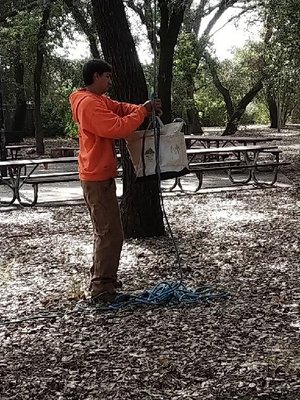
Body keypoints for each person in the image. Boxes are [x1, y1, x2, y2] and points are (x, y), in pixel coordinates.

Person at [69, 59, 162, 304]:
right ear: (96, 76)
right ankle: (102, 289)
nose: (110, 82)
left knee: (109, 231)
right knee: (110, 233)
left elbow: (119, 108)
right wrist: (142, 112)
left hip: (100, 174)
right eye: (107, 77)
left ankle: (103, 281)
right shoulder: (89, 104)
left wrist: (144, 107)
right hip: (95, 176)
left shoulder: (98, 100)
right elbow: (117, 128)